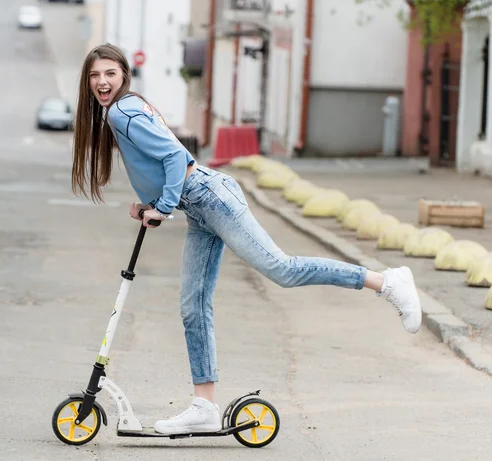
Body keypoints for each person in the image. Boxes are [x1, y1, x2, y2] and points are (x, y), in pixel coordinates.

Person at [71, 43, 422, 436]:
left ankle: (387, 282)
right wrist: (150, 203)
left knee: (282, 269)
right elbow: (160, 163)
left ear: (124, 76)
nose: (102, 81)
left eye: (109, 74)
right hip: (199, 204)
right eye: (95, 75)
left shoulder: (122, 111)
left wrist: (165, 205)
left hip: (209, 196)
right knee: (193, 305)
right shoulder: (125, 109)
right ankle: (205, 405)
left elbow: (174, 156)